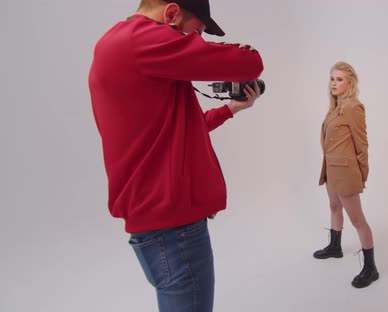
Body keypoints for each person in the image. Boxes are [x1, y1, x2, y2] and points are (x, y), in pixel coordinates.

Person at [88, 0, 263, 310]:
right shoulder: (143, 40)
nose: (195, 41)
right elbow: (250, 63)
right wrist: (221, 50)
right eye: (194, 33)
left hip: (157, 223)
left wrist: (230, 109)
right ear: (171, 14)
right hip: (175, 228)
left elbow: (174, 130)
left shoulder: (115, 43)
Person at [315, 62, 379, 288]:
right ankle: (335, 246)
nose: (334, 83)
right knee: (334, 208)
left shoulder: (353, 107)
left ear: (350, 83)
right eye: (332, 78)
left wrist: (362, 175)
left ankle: (371, 268)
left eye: (339, 79)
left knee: (357, 220)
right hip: (332, 169)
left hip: (346, 172)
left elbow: (362, 145)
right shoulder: (335, 107)